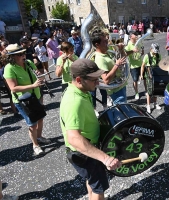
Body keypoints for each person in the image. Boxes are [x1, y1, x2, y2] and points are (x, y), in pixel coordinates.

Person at [60, 59, 121, 200]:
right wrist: (105, 158)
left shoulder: (78, 89)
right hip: (84, 153)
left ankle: (91, 196)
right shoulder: (75, 101)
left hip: (86, 151)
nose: (98, 82)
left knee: (93, 182)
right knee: (99, 188)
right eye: (94, 79)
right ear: (79, 79)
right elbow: (74, 138)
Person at [4, 44, 50, 155]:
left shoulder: (28, 63)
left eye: (23, 53)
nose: (23, 56)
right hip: (23, 100)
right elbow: (13, 88)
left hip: (35, 96)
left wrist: (40, 76)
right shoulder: (9, 68)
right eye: (20, 54)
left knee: (40, 118)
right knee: (32, 124)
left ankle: (39, 137)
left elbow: (39, 77)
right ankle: (35, 145)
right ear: (12, 57)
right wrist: (33, 86)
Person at [91, 31, 127, 104]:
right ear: (97, 45)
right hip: (116, 91)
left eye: (107, 40)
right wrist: (116, 65)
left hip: (120, 87)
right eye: (104, 41)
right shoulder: (100, 59)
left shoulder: (105, 53)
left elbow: (123, 60)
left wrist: (121, 50)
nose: (107, 42)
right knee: (121, 113)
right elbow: (106, 80)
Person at [140, 43, 162, 113]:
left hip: (156, 74)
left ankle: (155, 104)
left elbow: (160, 64)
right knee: (149, 91)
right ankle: (148, 105)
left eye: (156, 51)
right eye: (154, 51)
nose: (155, 53)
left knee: (156, 90)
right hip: (149, 76)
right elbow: (143, 66)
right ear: (151, 49)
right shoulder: (147, 56)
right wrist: (141, 75)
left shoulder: (159, 55)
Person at [125, 31, 144, 100]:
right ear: (130, 37)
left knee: (145, 79)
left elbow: (142, 52)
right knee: (135, 80)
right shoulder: (128, 45)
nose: (136, 35)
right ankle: (136, 93)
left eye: (136, 34)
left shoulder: (138, 43)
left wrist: (142, 50)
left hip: (141, 64)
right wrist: (132, 51)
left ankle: (147, 91)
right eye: (134, 35)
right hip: (133, 66)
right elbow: (125, 54)